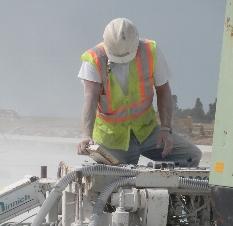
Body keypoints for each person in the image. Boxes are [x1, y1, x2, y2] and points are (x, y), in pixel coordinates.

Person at [76, 18, 201, 167]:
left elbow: (163, 91)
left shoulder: (151, 52)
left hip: (146, 131)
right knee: (118, 181)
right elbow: (90, 100)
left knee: (191, 156)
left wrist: (166, 129)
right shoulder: (93, 60)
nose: (122, 60)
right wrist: (86, 136)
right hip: (113, 139)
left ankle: (162, 181)